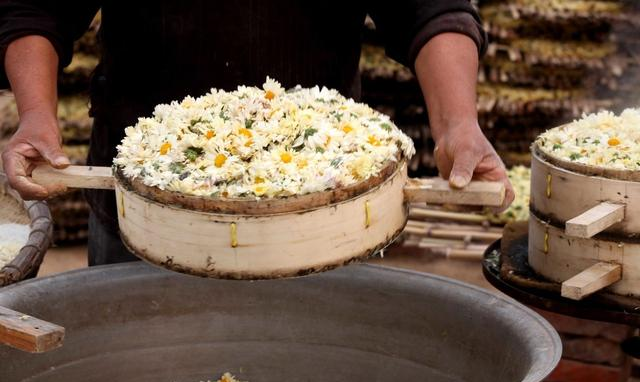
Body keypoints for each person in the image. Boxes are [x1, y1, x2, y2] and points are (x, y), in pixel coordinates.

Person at [0, 1, 514, 265]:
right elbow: (35, 8)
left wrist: (459, 123)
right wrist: (37, 114)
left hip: (320, 205)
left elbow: (432, 9)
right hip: (144, 203)